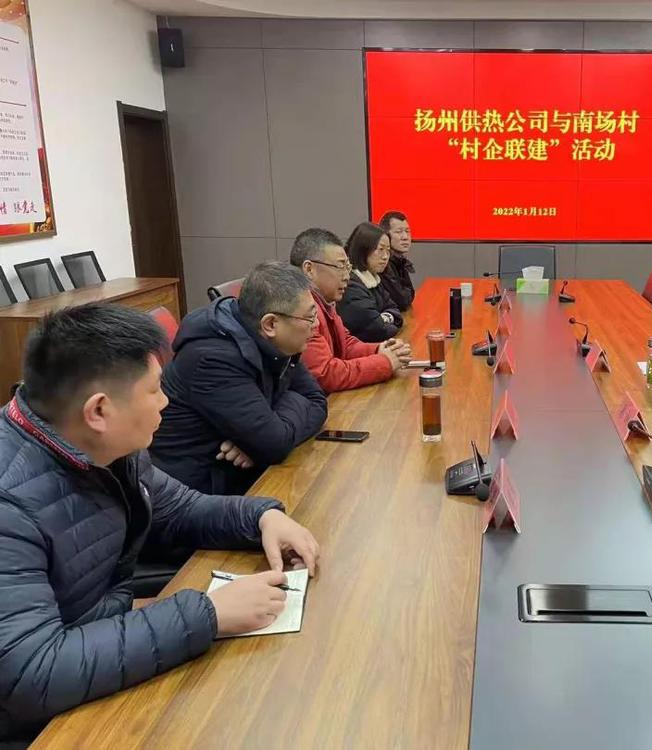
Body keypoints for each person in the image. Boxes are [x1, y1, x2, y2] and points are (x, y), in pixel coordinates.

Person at [0, 304, 319, 744]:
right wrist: (208, 615)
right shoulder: (10, 503)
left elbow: (180, 508)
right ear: (99, 411)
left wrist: (261, 516)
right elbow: (32, 674)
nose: (166, 401)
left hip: (101, 642)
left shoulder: (103, 446)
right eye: (154, 391)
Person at [150, 261, 328, 496]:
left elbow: (316, 400)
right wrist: (262, 440)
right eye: (310, 317)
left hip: (238, 476)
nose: (316, 325)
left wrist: (255, 441)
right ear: (271, 324)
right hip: (198, 493)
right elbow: (275, 444)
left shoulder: (275, 340)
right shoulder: (213, 359)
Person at [290, 227, 412, 393]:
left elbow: (346, 344)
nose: (347, 276)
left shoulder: (325, 301)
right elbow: (325, 374)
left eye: (347, 267)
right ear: (309, 269)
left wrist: (379, 349)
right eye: (340, 266)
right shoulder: (300, 310)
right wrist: (385, 362)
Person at [338, 222, 404, 343]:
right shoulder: (350, 285)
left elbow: (395, 310)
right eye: (380, 250)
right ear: (363, 250)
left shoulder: (374, 279)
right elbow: (377, 330)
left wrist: (384, 318)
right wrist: (388, 320)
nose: (385, 257)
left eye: (388, 251)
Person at [378, 210, 416, 311]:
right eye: (399, 232)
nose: (405, 237)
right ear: (386, 236)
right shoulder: (383, 263)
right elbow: (402, 301)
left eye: (407, 231)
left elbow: (410, 295)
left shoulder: (399, 260)